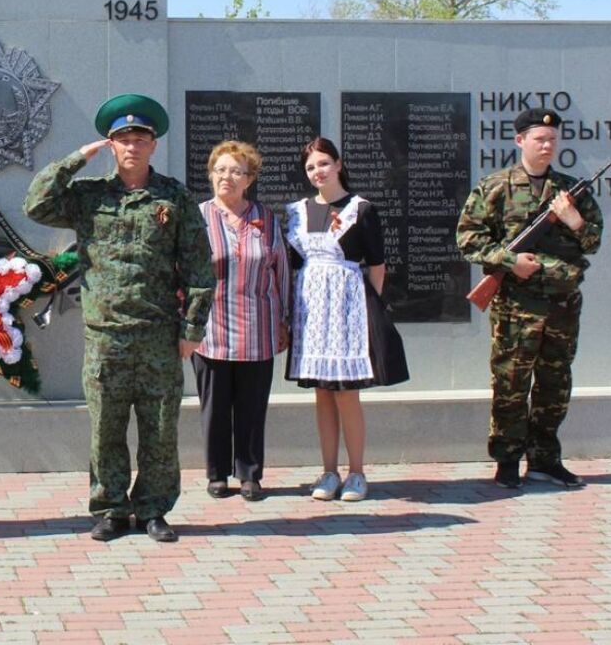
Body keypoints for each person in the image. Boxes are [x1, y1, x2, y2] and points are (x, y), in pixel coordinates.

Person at [24, 93, 213, 543]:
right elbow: (37, 204)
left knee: (160, 429)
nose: (132, 146)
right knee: (106, 427)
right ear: (111, 145)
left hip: (159, 335)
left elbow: (199, 267)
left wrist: (192, 328)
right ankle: (110, 506)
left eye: (140, 138)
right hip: (106, 335)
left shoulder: (174, 198)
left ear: (153, 145)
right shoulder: (89, 197)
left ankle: (152, 509)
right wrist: (75, 159)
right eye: (122, 139)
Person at [456, 108, 602, 490]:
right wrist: (510, 260)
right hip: (515, 307)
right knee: (510, 383)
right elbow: (468, 238)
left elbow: (593, 242)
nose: (547, 145)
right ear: (520, 140)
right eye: (540, 139)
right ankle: (506, 459)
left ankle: (545, 459)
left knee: (555, 383)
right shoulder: (495, 188)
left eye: (552, 140)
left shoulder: (570, 192)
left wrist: (573, 219)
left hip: (561, 305)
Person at [285, 136, 407, 503]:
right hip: (311, 306)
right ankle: (328, 470)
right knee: (322, 392)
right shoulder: (296, 211)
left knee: (346, 393)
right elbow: (292, 263)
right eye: (310, 167)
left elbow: (378, 265)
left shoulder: (361, 209)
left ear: (338, 164)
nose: (317, 171)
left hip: (347, 303)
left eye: (323, 163)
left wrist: (370, 310)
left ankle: (356, 472)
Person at [193, 141, 290, 503]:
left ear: (249, 179)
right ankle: (217, 473)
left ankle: (249, 473)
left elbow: (281, 270)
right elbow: (181, 270)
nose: (227, 177)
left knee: (251, 406)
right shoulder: (197, 216)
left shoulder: (265, 219)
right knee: (215, 405)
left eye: (236, 171)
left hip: (258, 327)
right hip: (210, 327)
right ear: (211, 174)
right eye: (220, 170)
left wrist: (283, 320)